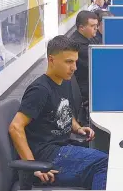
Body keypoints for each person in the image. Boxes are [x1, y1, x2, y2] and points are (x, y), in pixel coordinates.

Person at [9, 35, 108, 189]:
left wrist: (77, 128)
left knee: (104, 166)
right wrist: (33, 166)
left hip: (62, 147)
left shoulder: (63, 80)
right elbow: (15, 127)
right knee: (104, 163)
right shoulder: (40, 90)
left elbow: (64, 109)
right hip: (48, 157)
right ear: (51, 60)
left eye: (75, 61)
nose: (74, 67)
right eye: (69, 62)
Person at [70, 11, 98, 103]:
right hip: (85, 89)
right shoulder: (79, 46)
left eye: (96, 25)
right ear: (81, 28)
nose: (96, 28)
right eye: (92, 26)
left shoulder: (87, 38)